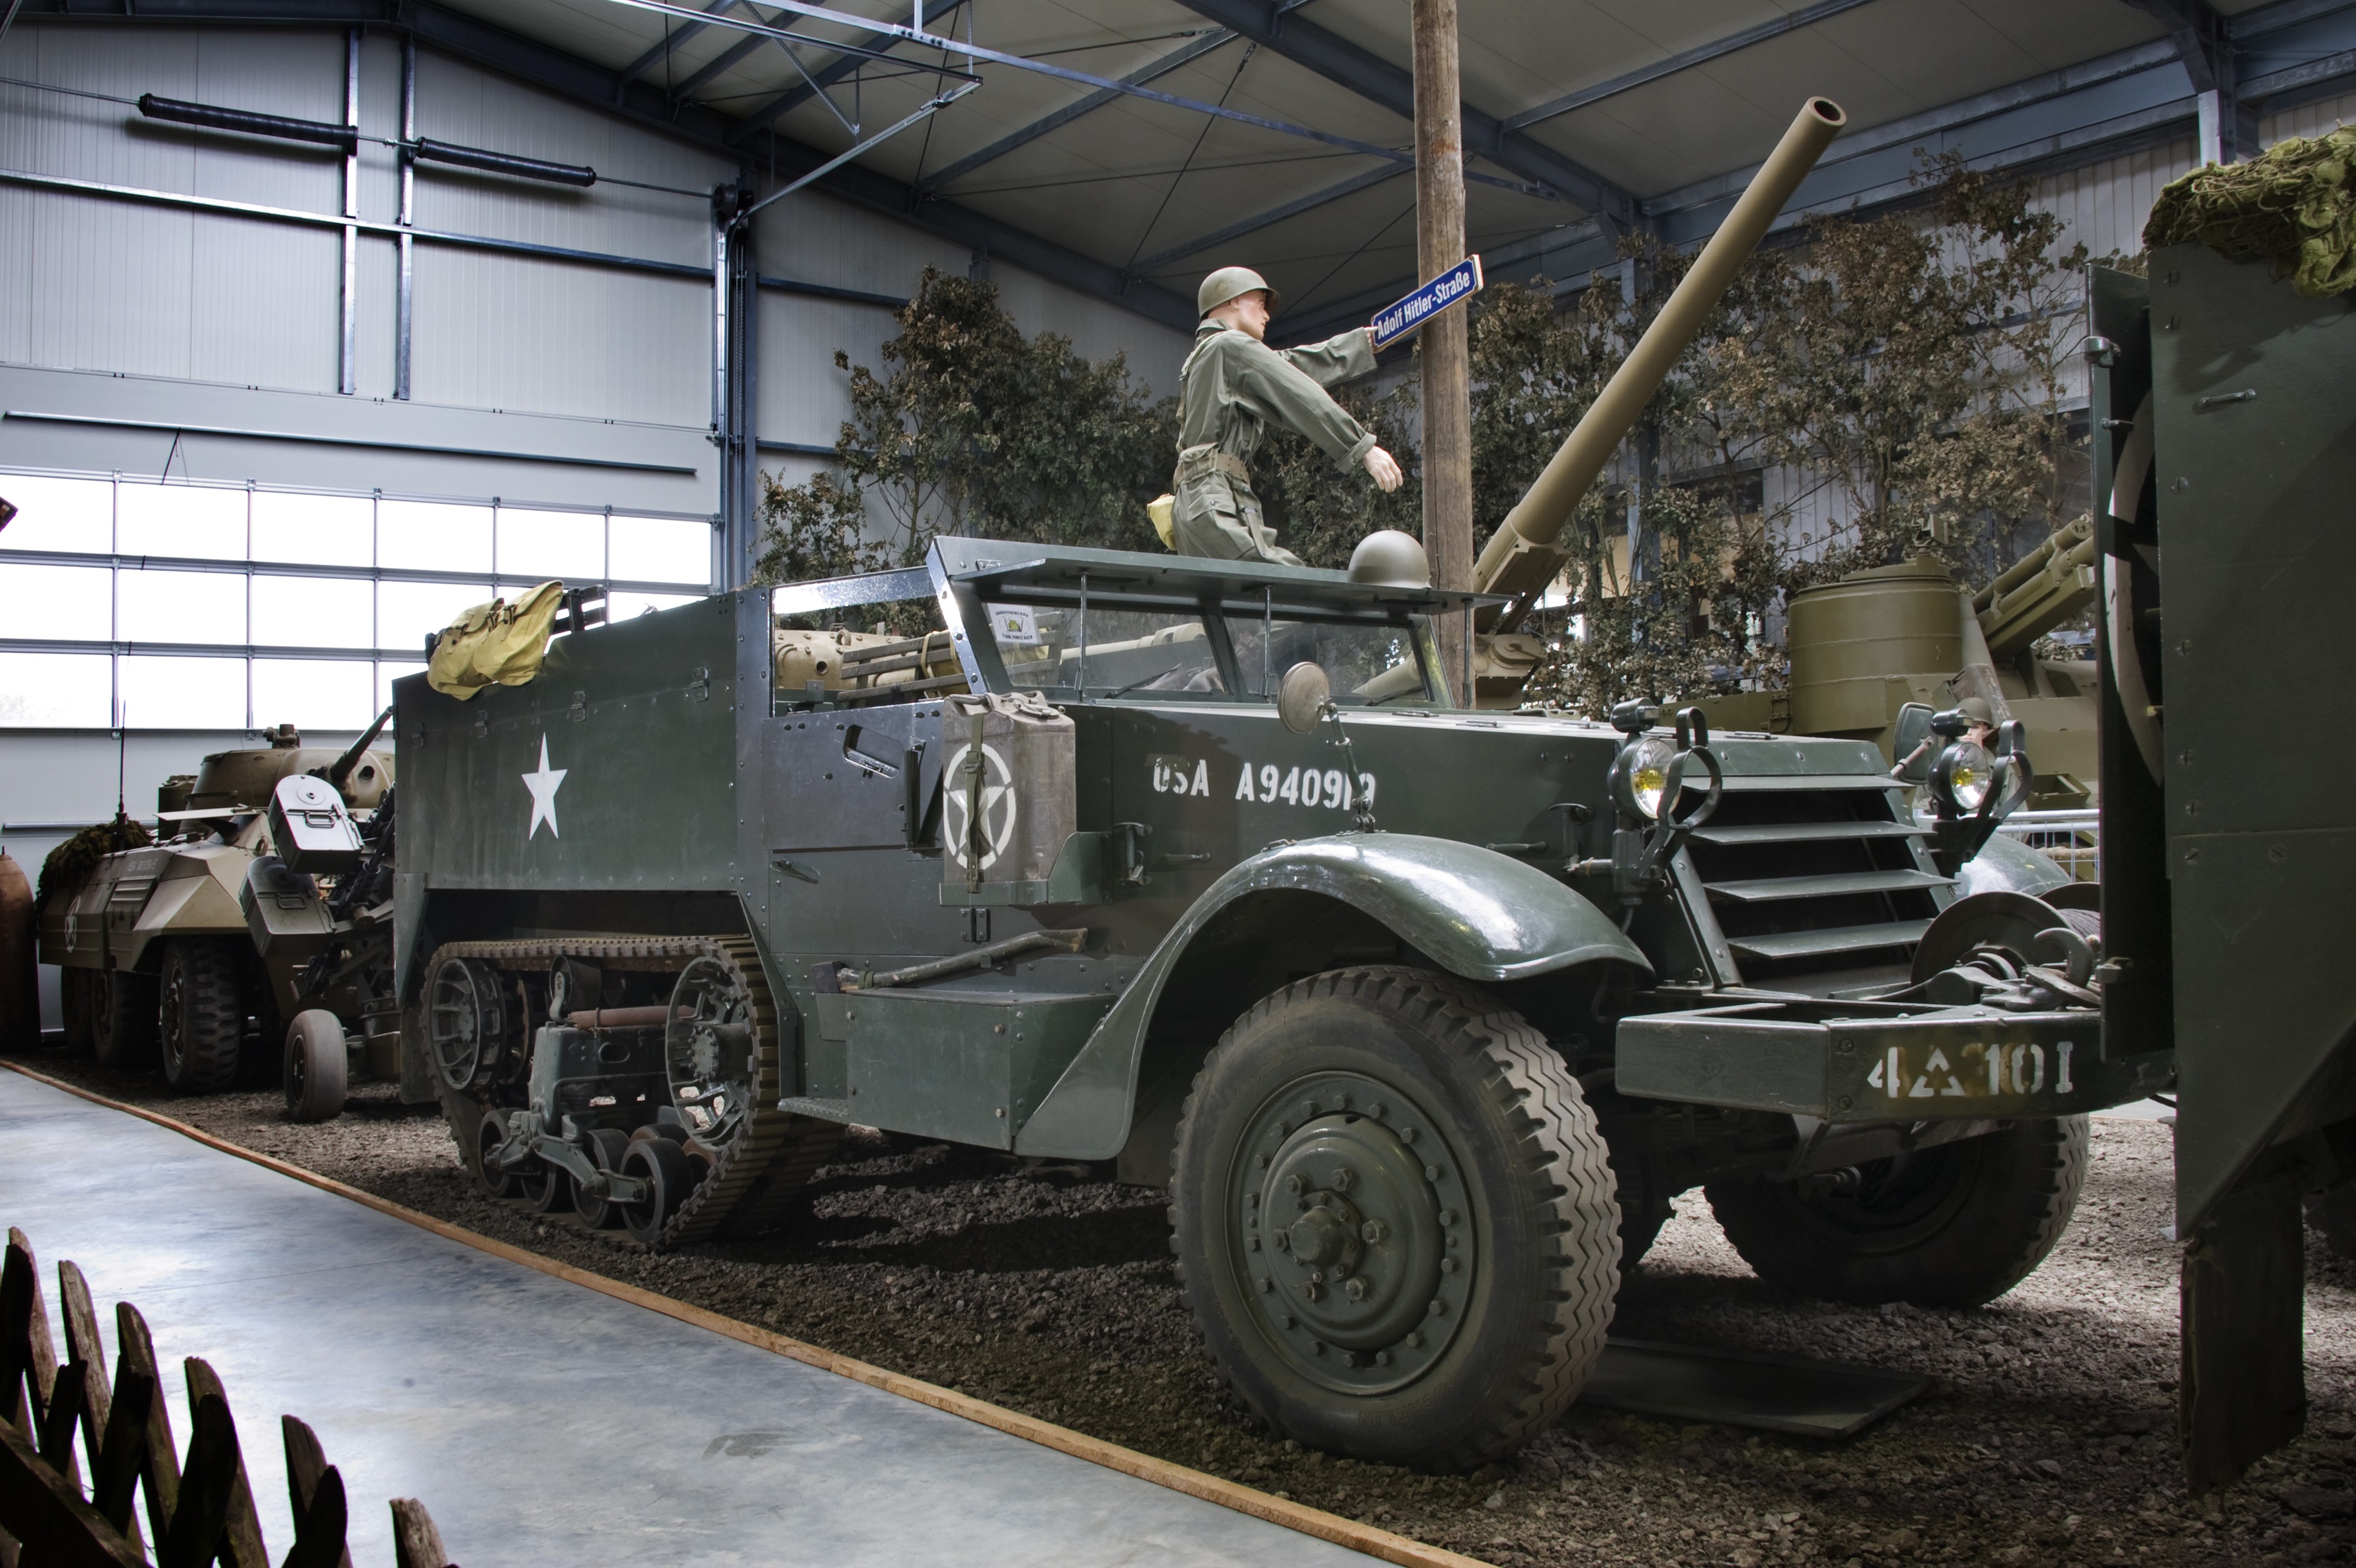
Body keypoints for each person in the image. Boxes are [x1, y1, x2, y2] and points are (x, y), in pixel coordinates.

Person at [1169, 266, 1404, 566]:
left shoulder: (1209, 354)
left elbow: (1290, 368)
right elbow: (1298, 392)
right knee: (1293, 589)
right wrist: (1362, 447)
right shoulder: (1230, 346)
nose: (1267, 315)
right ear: (1233, 301)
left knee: (1235, 606)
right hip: (1214, 497)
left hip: (1196, 501)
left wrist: (1361, 345)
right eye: (1260, 303)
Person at [1891, 695, 1997, 779]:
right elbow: (1923, 804)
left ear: (1985, 730)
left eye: (1975, 727)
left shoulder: (1999, 769)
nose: (1968, 732)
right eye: (1963, 727)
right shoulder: (1937, 768)